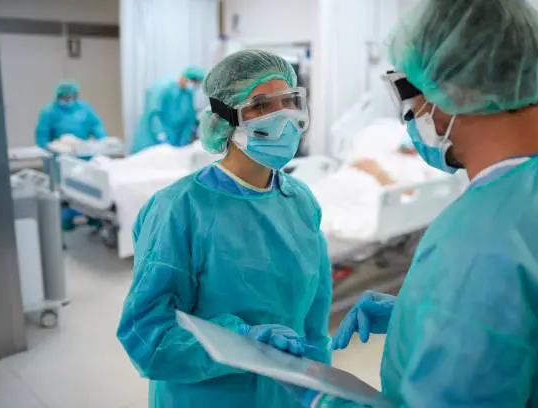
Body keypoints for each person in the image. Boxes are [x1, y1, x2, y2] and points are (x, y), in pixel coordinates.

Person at [289, 0, 538, 406]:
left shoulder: (481, 240)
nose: (412, 116)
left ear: (445, 94)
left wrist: (320, 399)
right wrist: (423, 313)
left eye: (408, 95)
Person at [117, 49, 332, 408]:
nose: (282, 117)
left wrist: (319, 387)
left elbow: (314, 319)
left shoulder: (301, 202)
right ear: (225, 119)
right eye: (262, 106)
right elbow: (148, 335)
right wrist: (242, 341)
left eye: (288, 102)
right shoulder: (178, 209)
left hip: (285, 395)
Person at [130, 66, 205, 154]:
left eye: (197, 83)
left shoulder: (188, 95)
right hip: (150, 140)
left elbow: (189, 119)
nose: (194, 85)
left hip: (174, 142)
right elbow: (154, 115)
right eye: (193, 81)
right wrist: (160, 135)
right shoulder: (162, 88)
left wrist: (184, 139)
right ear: (183, 77)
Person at [35, 80, 106, 149]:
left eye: (69, 97)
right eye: (64, 98)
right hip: (58, 155)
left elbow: (96, 126)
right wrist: (50, 146)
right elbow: (42, 136)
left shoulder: (84, 108)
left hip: (82, 153)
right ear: (58, 96)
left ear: (75, 96)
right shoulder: (49, 112)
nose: (67, 100)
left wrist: (103, 141)